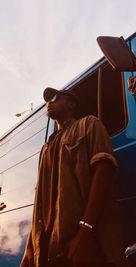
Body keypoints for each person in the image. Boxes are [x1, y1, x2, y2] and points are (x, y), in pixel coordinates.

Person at [20, 87, 124, 267]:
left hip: (78, 243)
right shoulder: (46, 148)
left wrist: (85, 231)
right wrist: (30, 247)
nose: (49, 102)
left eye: (55, 97)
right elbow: (40, 201)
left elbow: (104, 170)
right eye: (47, 100)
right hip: (48, 248)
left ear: (71, 103)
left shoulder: (89, 124)